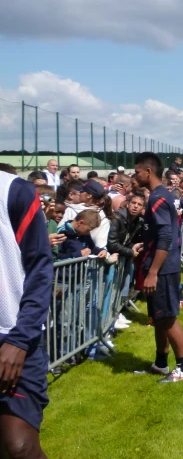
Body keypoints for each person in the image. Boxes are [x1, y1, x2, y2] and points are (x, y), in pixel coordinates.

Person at [0, 170, 54, 459]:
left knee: (19, 446)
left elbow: (40, 268)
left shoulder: (14, 190)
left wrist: (20, 340)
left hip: (13, 339)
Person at [135, 152, 183, 383]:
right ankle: (161, 363)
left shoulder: (159, 197)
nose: (134, 175)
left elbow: (165, 235)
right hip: (160, 265)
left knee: (167, 317)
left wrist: (153, 272)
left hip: (163, 268)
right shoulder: (159, 196)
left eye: (137, 171)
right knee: (158, 317)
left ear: (148, 171)